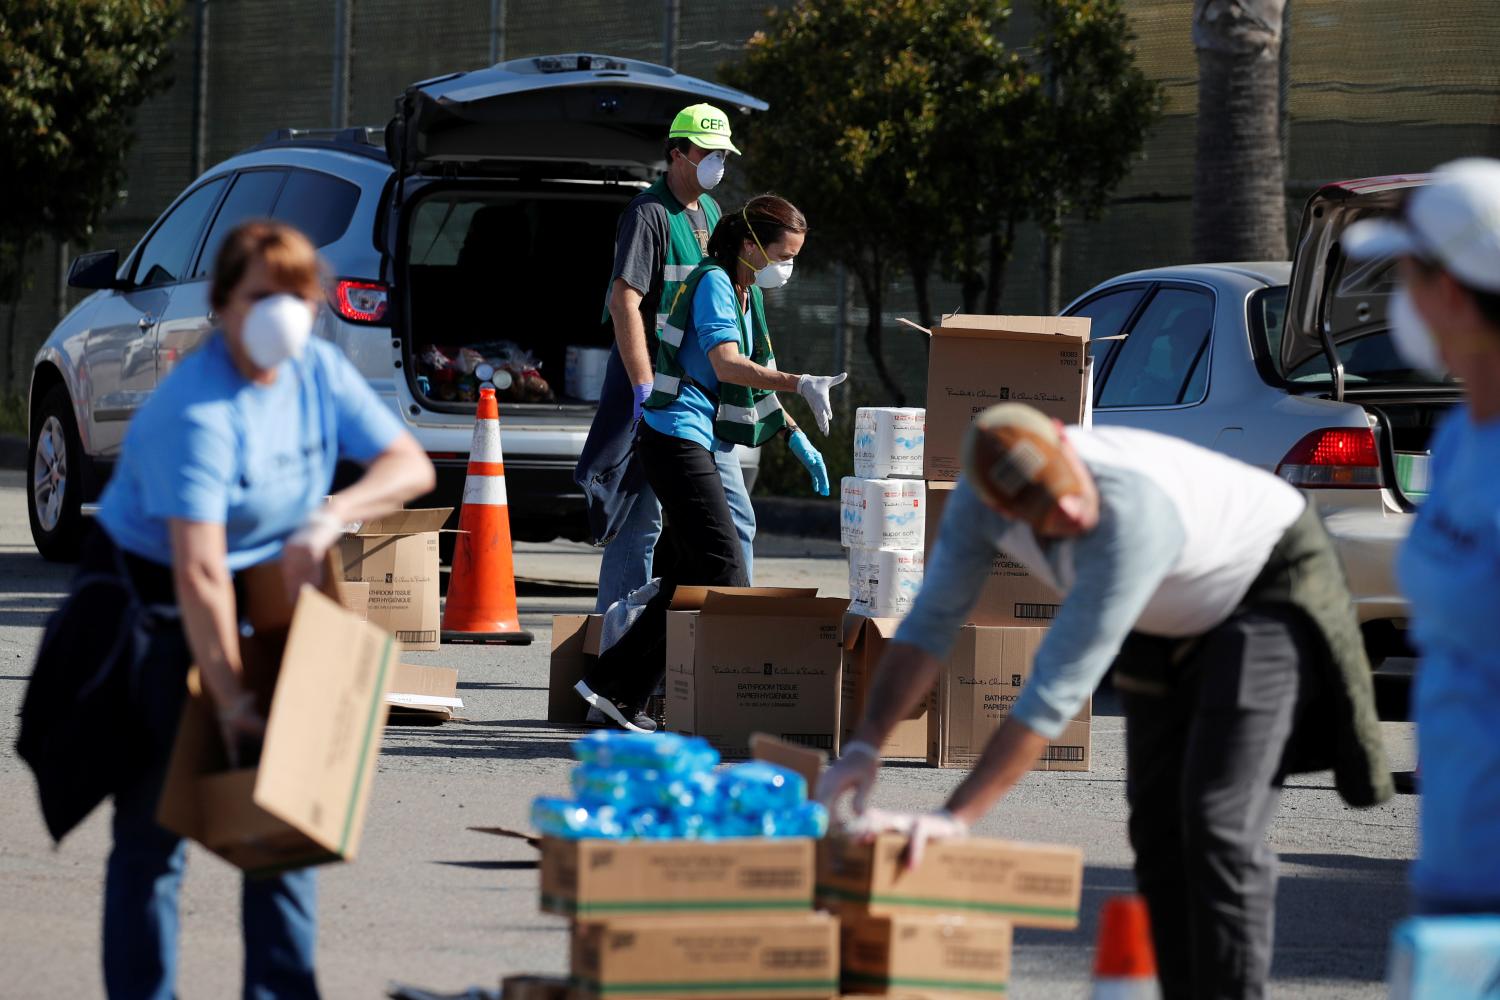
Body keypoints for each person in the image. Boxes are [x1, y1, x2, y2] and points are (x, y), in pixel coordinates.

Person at [818, 404, 1392, 1000]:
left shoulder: (1131, 514)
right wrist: (864, 747)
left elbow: (1051, 696)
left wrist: (950, 820)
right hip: (1164, 602)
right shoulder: (977, 505)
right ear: (1000, 510)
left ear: (1068, 441)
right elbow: (928, 628)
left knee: (1216, 820)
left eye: (1066, 490)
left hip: (1262, 584)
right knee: (1156, 823)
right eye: (1044, 514)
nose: (1066, 511)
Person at [88, 220, 435, 998]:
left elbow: (407, 464)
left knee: (286, 824)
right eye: (259, 297)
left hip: (268, 597)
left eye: (295, 296)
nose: (280, 312)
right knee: (155, 832)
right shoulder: (196, 409)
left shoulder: (315, 368)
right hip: (151, 607)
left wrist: (328, 513)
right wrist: (232, 694)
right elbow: (199, 570)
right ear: (222, 307)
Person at [574, 194, 845, 732]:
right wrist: (799, 382)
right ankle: (676, 693)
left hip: (692, 438)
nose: (787, 268)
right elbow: (727, 364)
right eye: (782, 255)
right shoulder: (716, 282)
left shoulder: (745, 293)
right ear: (749, 245)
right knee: (721, 565)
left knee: (693, 569)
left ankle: (612, 689)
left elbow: (750, 377)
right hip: (674, 436)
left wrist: (792, 435)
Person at [1343, 157, 1500, 915]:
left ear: (1449, 290)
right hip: (1456, 857)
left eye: (1403, 273)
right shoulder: (1461, 438)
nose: (1395, 298)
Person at [575, 103, 759, 613]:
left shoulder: (713, 215)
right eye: (708, 153)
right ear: (677, 154)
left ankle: (732, 635)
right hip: (659, 396)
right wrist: (642, 386)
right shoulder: (648, 214)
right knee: (641, 523)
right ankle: (615, 644)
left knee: (734, 517)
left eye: (723, 154)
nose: (717, 163)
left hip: (700, 401)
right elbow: (624, 302)